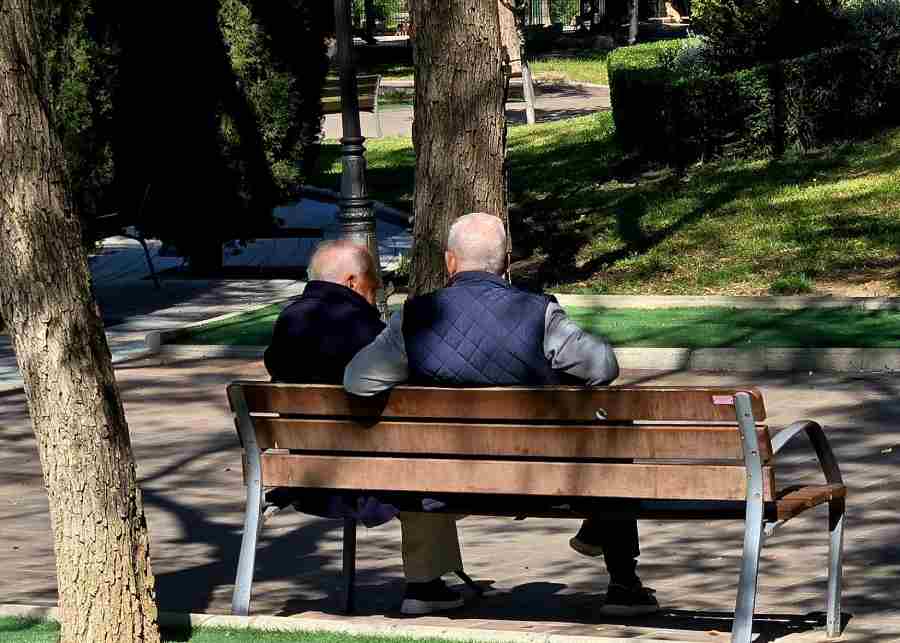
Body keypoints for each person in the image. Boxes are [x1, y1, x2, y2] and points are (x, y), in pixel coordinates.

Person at [344, 213, 659, 616]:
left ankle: (423, 585)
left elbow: (357, 380)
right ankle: (623, 585)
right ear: (507, 262)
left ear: (450, 262)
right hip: (540, 478)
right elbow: (602, 369)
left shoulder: (415, 317)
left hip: (441, 479)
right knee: (610, 436)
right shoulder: (539, 313)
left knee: (417, 456)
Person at [263, 239, 466, 616]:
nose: (378, 288)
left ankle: (433, 578)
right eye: (375, 279)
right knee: (424, 465)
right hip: (368, 476)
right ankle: (425, 583)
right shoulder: (365, 327)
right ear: (353, 280)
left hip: (304, 474)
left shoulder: (287, 321)